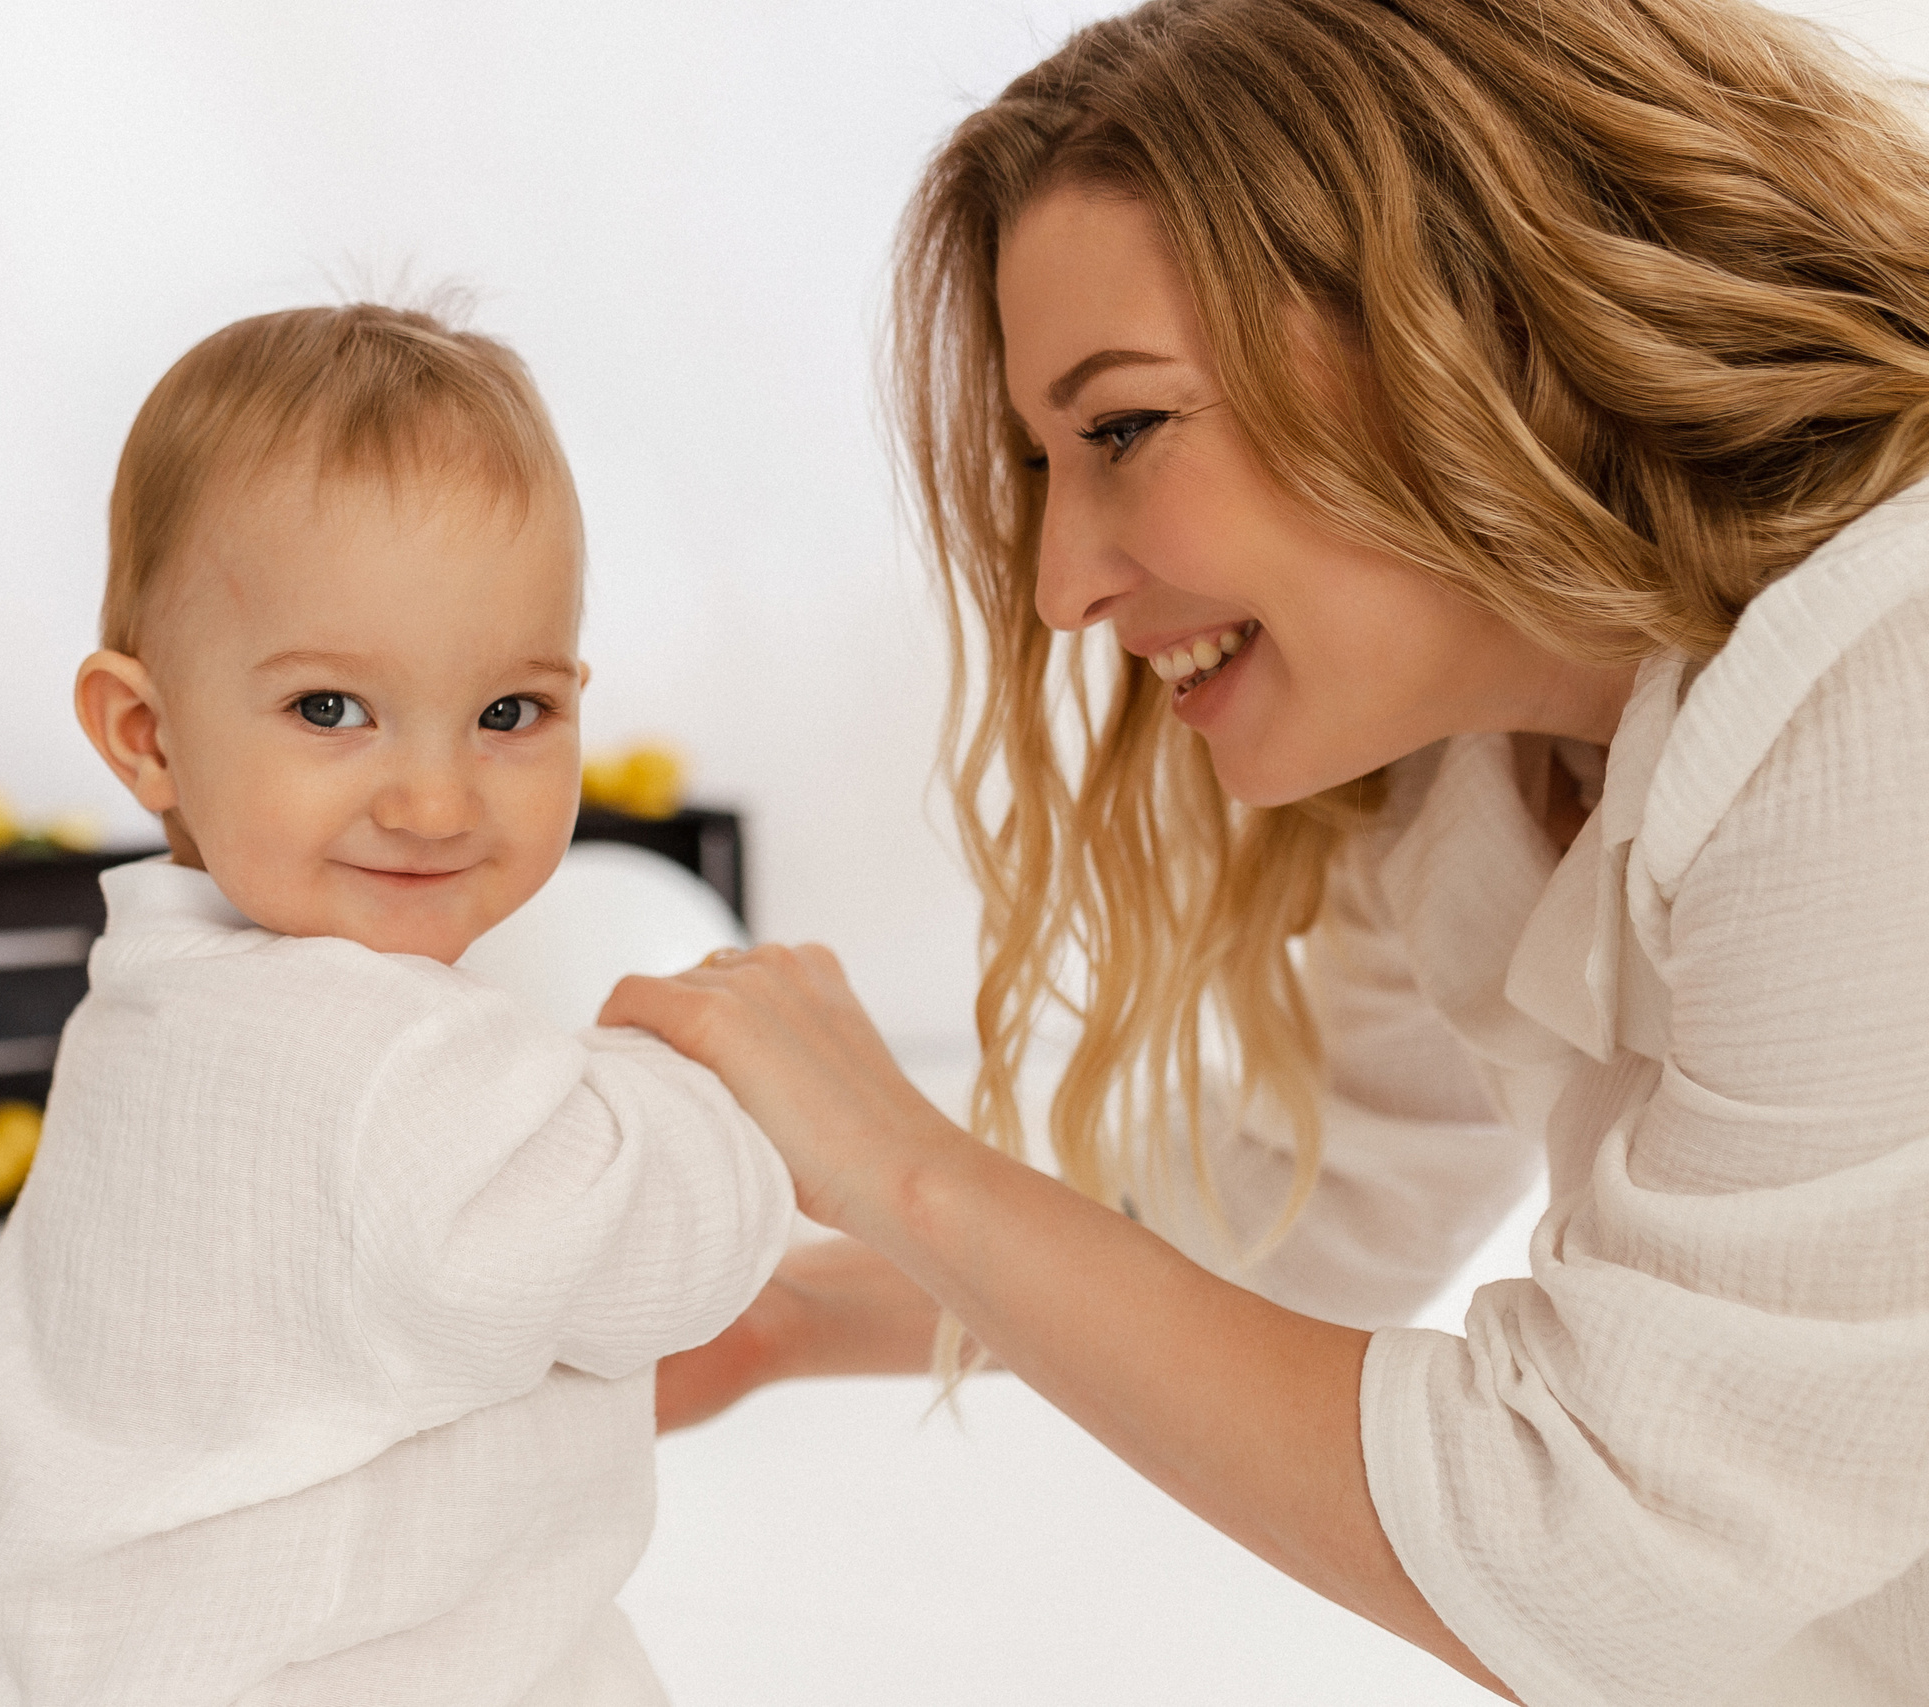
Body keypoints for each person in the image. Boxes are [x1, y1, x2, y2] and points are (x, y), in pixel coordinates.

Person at [601, 1, 1929, 1701]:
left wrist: (904, 1160)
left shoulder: (1884, 680)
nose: (1062, 582)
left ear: (1453, 324)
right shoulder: (1489, 761)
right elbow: (1308, 1199)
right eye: (1036, 464)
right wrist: (788, 1315)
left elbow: (1601, 1543)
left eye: (1126, 430)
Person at [0, 305, 792, 1705]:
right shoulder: (371, 1068)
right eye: (328, 710)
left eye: (508, 714)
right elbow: (648, 1252)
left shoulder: (161, 1003)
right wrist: (717, 1071)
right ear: (148, 734)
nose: (434, 799)